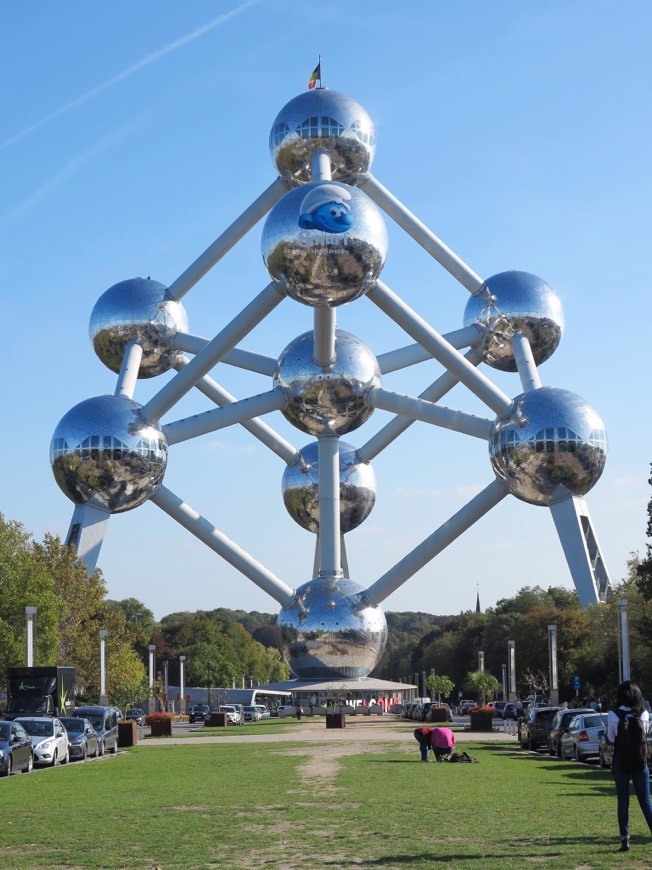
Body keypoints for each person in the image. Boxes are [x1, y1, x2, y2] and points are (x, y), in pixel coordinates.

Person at [606, 680, 652, 852]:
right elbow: (644, 735)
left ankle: (625, 840)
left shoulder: (613, 714)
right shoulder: (644, 714)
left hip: (621, 762)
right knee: (645, 801)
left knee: (623, 801)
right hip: (640, 762)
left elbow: (611, 739)